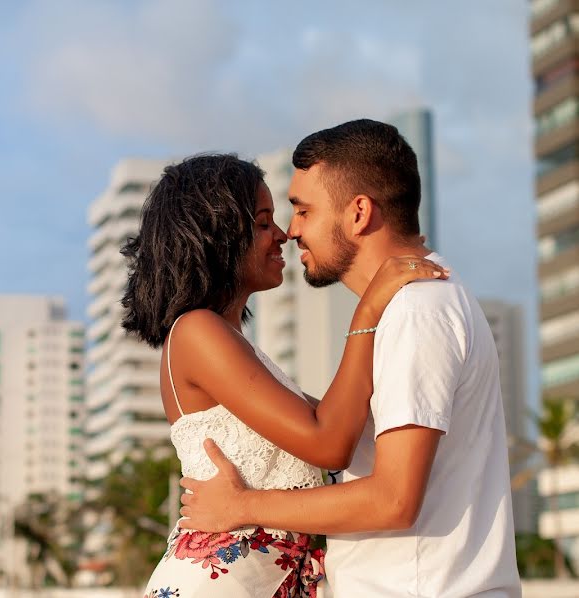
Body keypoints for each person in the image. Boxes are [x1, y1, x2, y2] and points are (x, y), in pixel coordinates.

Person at [177, 120, 521, 597]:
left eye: (302, 210)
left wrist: (244, 506)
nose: (291, 231)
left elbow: (393, 499)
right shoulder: (411, 307)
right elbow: (332, 429)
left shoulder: (418, 309)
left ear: (359, 213)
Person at [120, 153, 447, 598]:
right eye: (261, 223)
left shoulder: (239, 347)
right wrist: (370, 307)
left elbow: (348, 424)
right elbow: (329, 443)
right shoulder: (197, 331)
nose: (282, 235)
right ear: (217, 237)